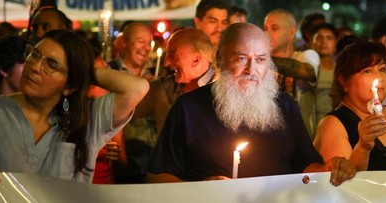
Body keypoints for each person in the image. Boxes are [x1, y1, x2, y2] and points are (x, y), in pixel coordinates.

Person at [146, 23, 355, 185]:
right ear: (220, 60)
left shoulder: (285, 105)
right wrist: (200, 189)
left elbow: (306, 165)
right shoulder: (188, 108)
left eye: (261, 60)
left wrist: (331, 167)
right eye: (241, 59)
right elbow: (156, 177)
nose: (251, 70)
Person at [0, 30, 149, 182]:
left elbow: (136, 88)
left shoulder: (85, 121)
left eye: (52, 65)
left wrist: (83, 72)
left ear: (70, 85)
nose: (36, 67)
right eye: (35, 55)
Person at [314, 41, 386, 171]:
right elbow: (342, 182)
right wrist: (363, 146)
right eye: (367, 71)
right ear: (344, 80)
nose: (379, 77)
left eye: (382, 69)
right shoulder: (333, 124)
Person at [135, 28, 216, 135]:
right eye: (166, 54)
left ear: (196, 60)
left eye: (172, 55)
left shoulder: (225, 91)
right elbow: (116, 110)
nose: (166, 63)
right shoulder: (161, 89)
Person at [108, 22, 155, 183]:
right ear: (124, 43)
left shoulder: (156, 76)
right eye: (141, 41)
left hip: (152, 163)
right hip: (123, 162)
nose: (146, 47)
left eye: (149, 42)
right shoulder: (109, 74)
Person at [264, 9, 320, 137]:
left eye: (274, 28)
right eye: (265, 28)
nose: (267, 33)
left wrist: (260, 58)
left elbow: (306, 71)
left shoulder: (307, 55)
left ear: (292, 32)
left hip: (301, 138)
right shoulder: (258, 63)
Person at [311, 23, 337, 124]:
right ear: (311, 42)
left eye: (329, 38)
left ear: (335, 43)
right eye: (319, 38)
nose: (324, 42)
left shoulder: (340, 70)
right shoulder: (304, 70)